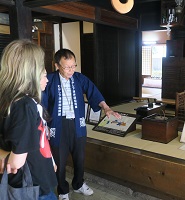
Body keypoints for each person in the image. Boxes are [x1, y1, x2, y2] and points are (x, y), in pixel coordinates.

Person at [42, 48, 120, 200]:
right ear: (57, 65)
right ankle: (63, 190)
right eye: (67, 67)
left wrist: (106, 108)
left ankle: (78, 184)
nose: (71, 70)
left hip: (78, 124)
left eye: (73, 66)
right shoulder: (49, 80)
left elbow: (93, 92)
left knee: (80, 158)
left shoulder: (79, 78)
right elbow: (41, 104)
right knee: (59, 160)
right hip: (57, 125)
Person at [0, 39, 58, 199]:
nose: (46, 78)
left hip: (34, 179)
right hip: (32, 186)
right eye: (42, 71)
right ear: (31, 71)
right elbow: (15, 163)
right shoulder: (24, 105)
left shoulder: (10, 99)